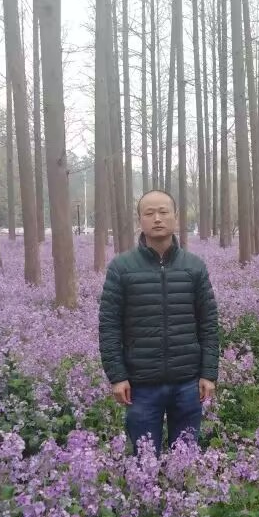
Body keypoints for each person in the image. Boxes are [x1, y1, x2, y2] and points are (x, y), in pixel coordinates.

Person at [98, 189, 219, 455]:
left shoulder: (194, 266)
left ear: (175, 217)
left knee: (185, 458)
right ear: (139, 220)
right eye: (149, 213)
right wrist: (117, 377)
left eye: (163, 212)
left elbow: (209, 324)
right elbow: (109, 326)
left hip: (187, 383)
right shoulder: (122, 267)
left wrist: (208, 374)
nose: (157, 218)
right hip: (140, 386)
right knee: (144, 460)